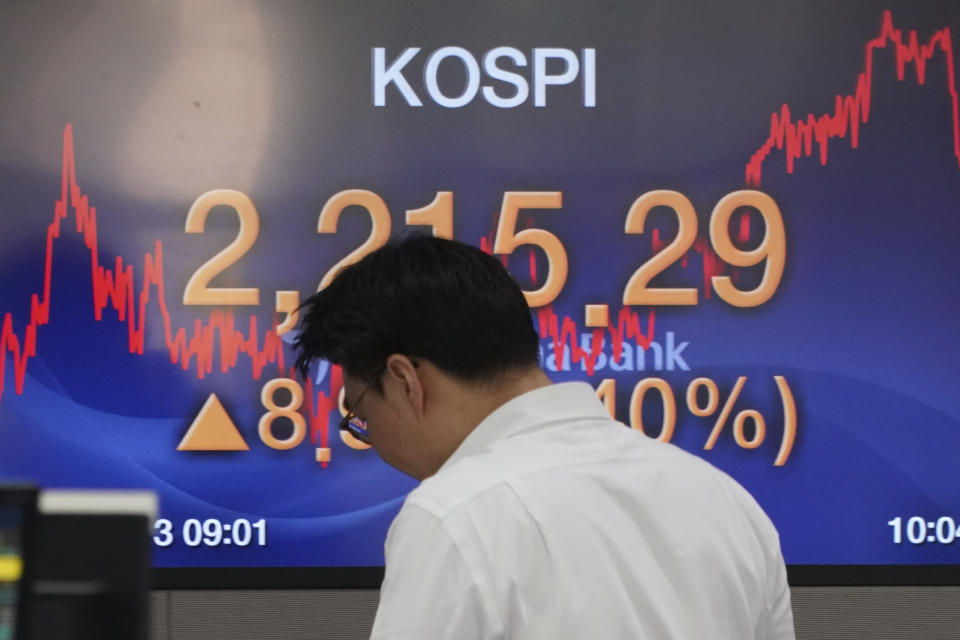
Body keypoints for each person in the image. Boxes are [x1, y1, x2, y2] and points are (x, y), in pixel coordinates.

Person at [294, 235, 795, 639]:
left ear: (405, 381)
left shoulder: (456, 517)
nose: (371, 438)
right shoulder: (726, 501)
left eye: (359, 413)